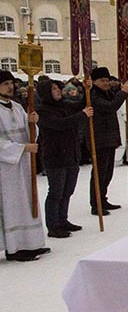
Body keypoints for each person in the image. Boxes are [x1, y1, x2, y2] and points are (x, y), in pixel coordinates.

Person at [0, 71, 50, 261]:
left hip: (23, 163)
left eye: (11, 83)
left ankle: (32, 243)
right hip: (6, 168)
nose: (10, 87)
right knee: (12, 205)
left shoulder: (16, 106)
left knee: (28, 201)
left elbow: (29, 132)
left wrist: (33, 123)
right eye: (5, 83)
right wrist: (22, 148)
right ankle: (15, 248)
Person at [36, 78, 93, 238]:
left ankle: (63, 219)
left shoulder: (65, 105)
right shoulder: (43, 111)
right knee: (56, 192)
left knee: (68, 190)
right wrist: (82, 115)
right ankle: (53, 225)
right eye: (53, 89)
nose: (58, 91)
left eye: (58, 88)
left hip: (71, 153)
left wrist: (86, 88)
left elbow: (80, 105)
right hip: (55, 155)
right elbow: (60, 124)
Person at [89, 67, 128, 215]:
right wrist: (123, 92)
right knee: (100, 172)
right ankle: (96, 203)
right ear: (94, 81)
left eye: (107, 80)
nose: (106, 83)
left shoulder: (106, 92)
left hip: (109, 136)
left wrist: (120, 88)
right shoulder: (93, 95)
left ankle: (103, 198)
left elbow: (114, 99)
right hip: (99, 137)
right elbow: (111, 106)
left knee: (107, 172)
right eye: (102, 81)